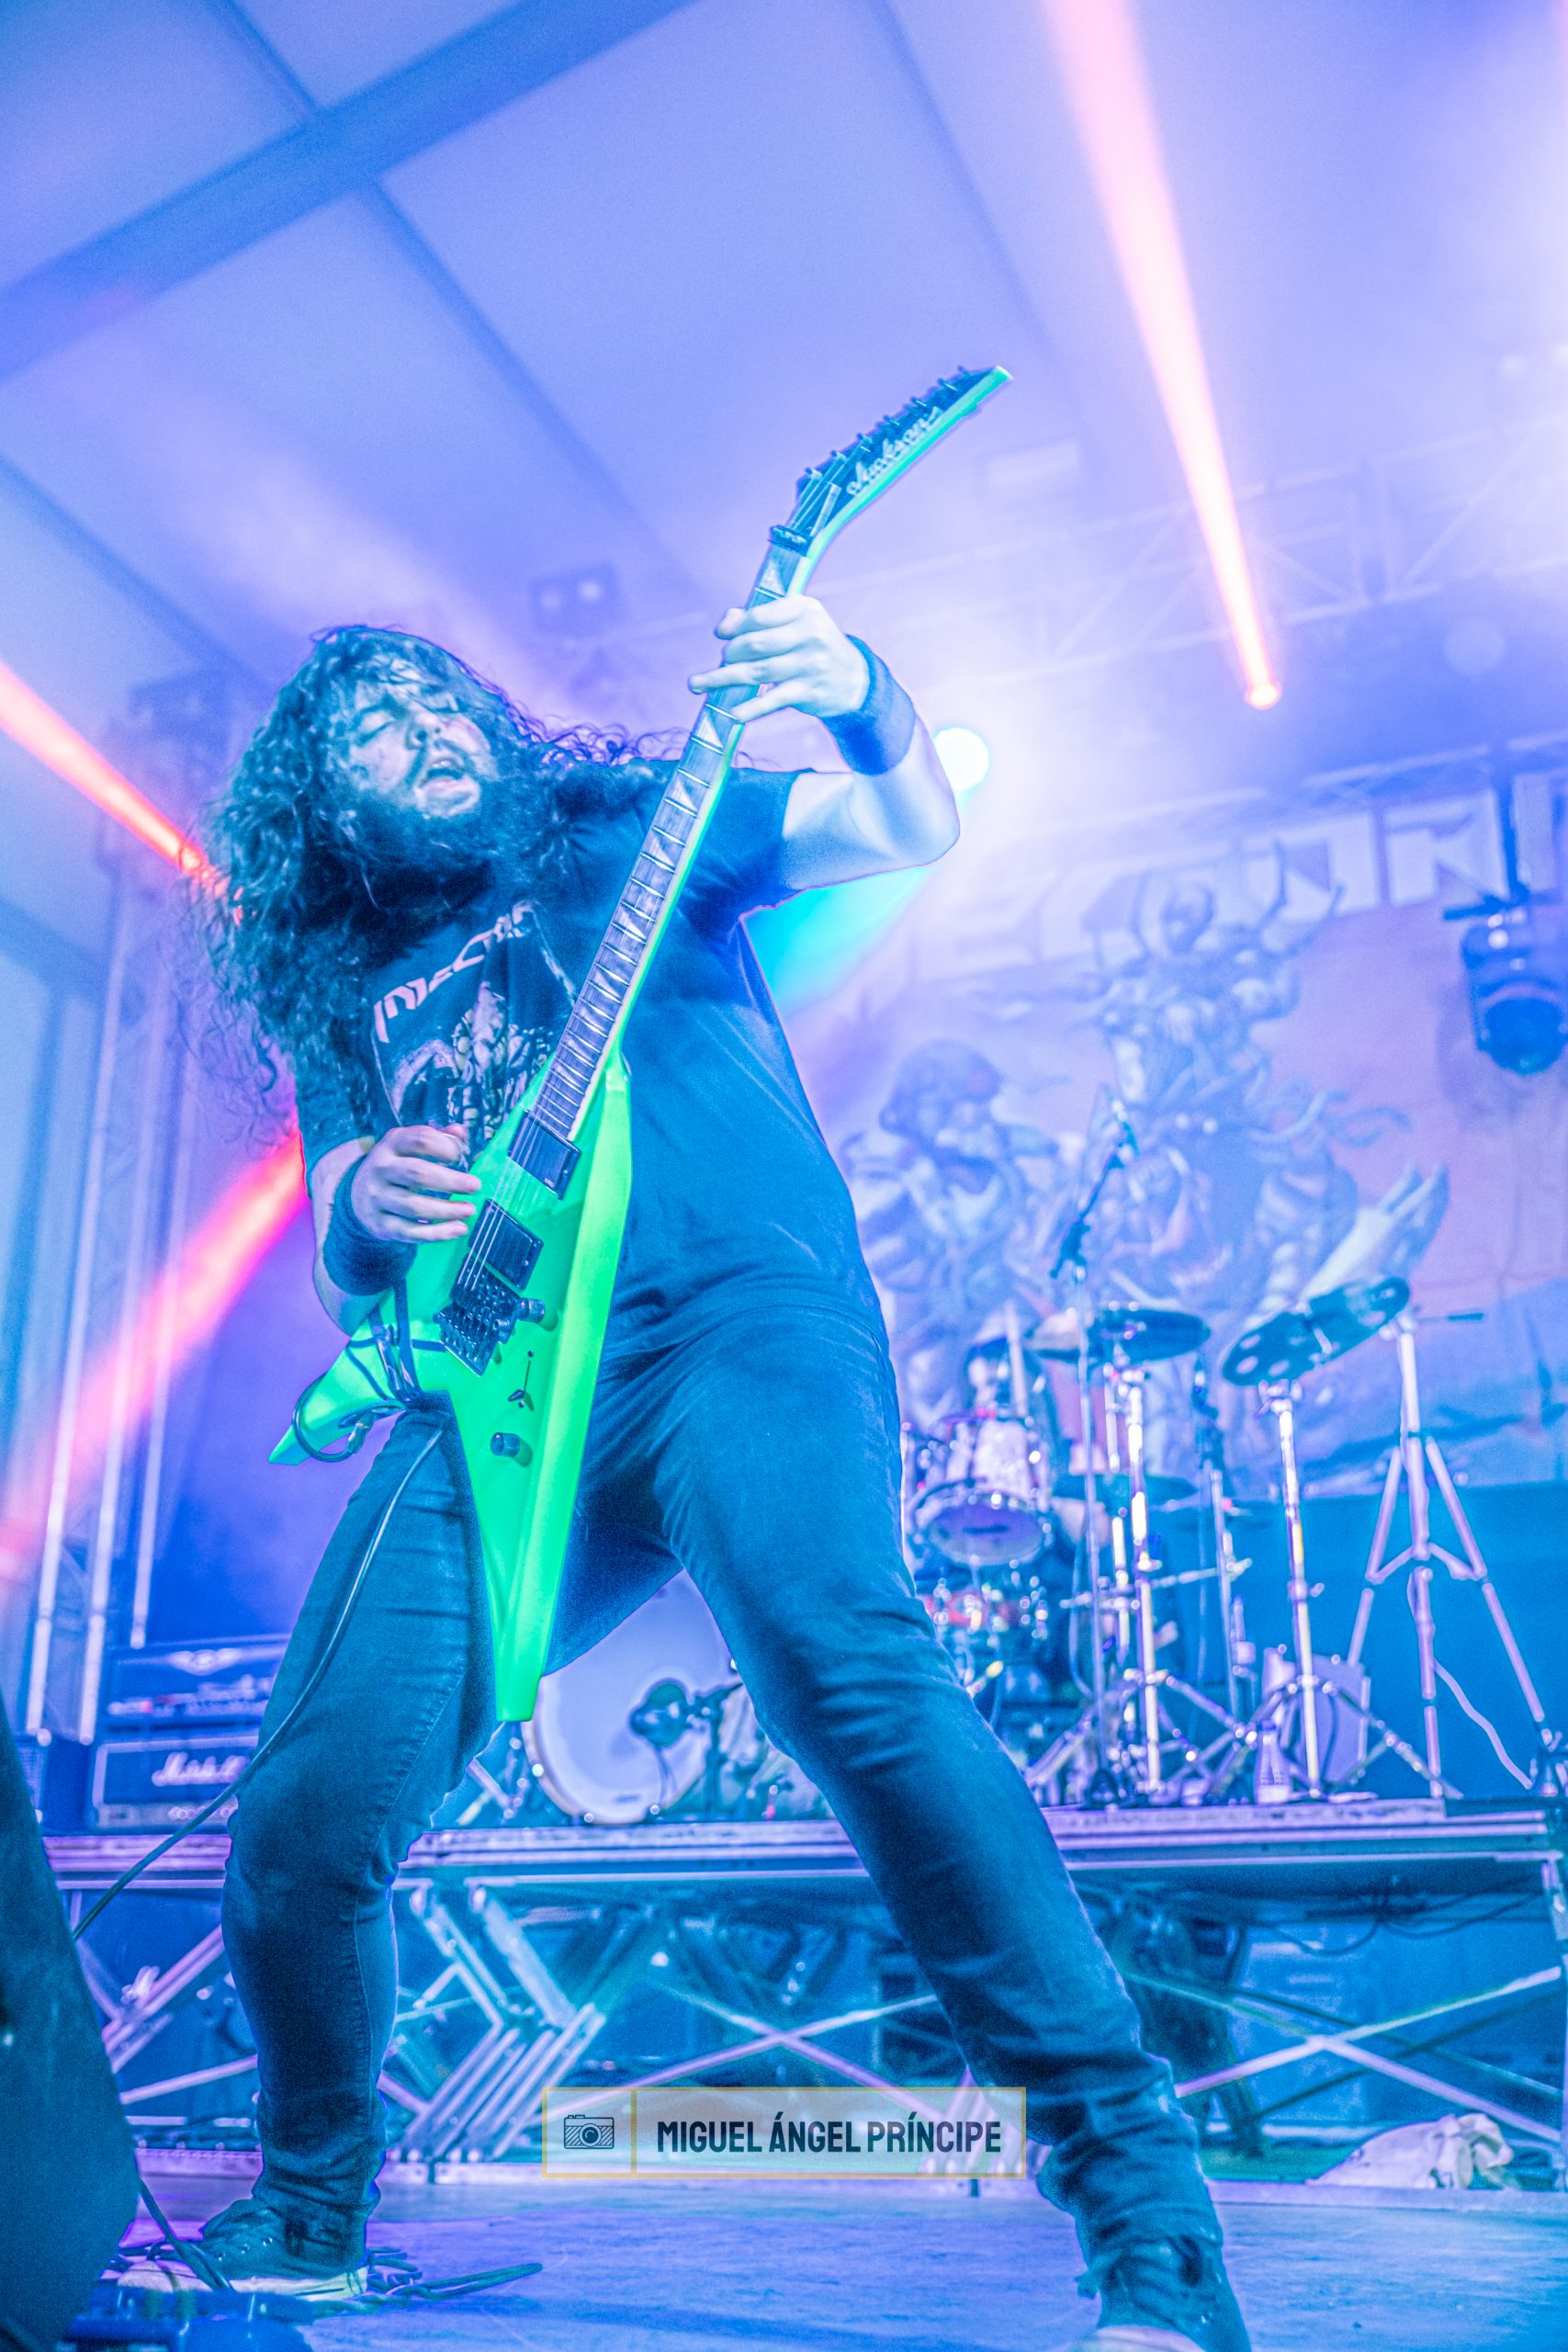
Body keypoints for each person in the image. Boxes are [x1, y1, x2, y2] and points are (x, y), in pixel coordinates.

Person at [157, 594, 1248, 2351]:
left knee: (849, 1678)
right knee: (303, 1811)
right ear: (326, 811)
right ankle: (306, 2217)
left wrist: (865, 693)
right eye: (372, 728)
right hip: (508, 1403)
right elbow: (347, 1245)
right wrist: (358, 1197)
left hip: (738, 1319)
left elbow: (900, 820)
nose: (423, 728)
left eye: (436, 697)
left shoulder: (616, 831)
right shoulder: (350, 985)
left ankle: (1152, 2235)